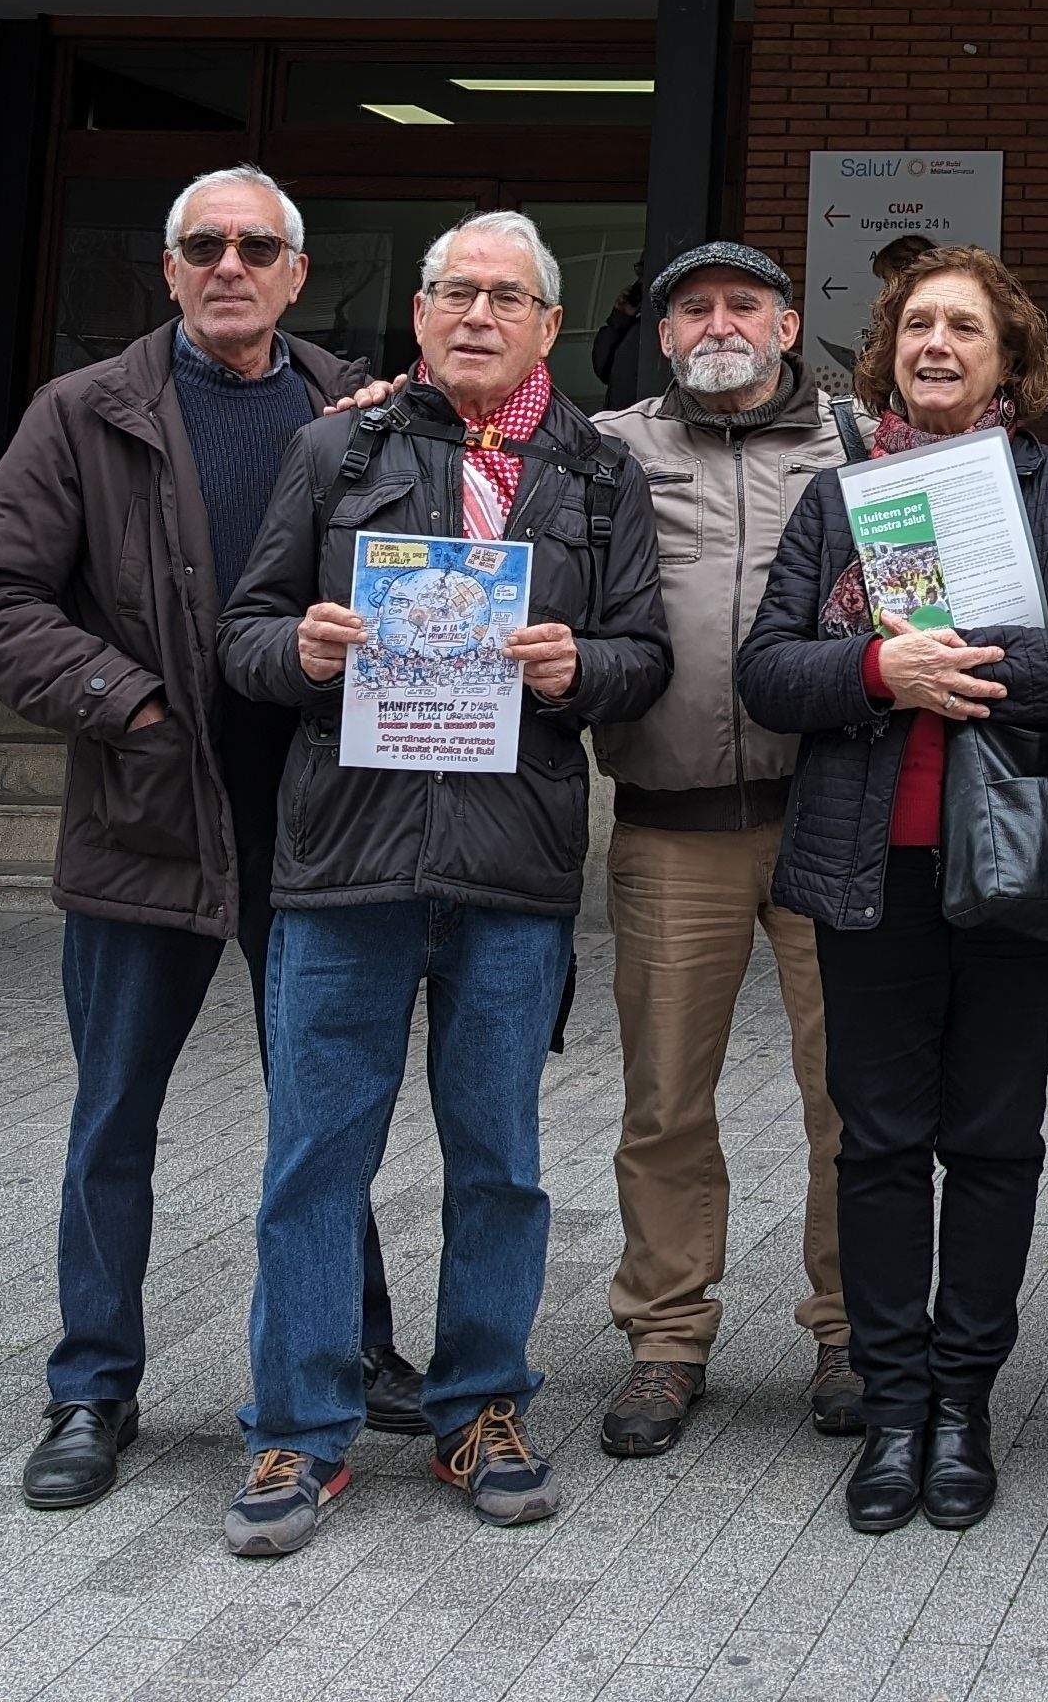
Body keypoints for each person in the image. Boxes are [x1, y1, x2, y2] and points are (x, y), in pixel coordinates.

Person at [0, 168, 422, 1510]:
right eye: (202, 245)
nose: (228, 265)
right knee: (115, 1119)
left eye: (255, 247)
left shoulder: (363, 413)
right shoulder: (83, 412)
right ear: (166, 271)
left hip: (317, 826)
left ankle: (358, 1347)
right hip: (148, 818)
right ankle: (93, 1386)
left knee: (326, 1112)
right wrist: (129, 701)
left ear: (296, 271)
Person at [215, 212, 672, 1558]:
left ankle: (482, 1407)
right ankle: (297, 1430)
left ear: (545, 323)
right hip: (342, 867)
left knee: (503, 1165)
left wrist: (575, 669)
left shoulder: (595, 474)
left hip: (510, 870)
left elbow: (645, 655)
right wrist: (296, 647)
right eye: (454, 292)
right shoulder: (335, 448)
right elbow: (240, 632)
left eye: (507, 297)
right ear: (417, 315)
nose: (478, 314)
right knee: (313, 1165)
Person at [738, 247, 1048, 1534]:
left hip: (1015, 867)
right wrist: (875, 675)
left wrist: (961, 660)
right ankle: (894, 1405)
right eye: (919, 326)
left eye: (967, 328)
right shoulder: (838, 497)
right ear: (889, 351)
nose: (940, 345)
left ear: (1008, 358)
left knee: (995, 1142)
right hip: (869, 870)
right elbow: (769, 672)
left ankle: (965, 1403)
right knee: (882, 1143)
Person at [586, 239, 864, 1454]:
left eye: (742, 304)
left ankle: (854, 1329)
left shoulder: (864, 443)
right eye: (691, 308)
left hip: (832, 817)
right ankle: (666, 1337)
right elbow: (470, 438)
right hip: (669, 826)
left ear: (789, 325)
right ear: (662, 335)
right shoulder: (603, 450)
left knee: (851, 1097)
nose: (717, 324)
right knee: (662, 1101)